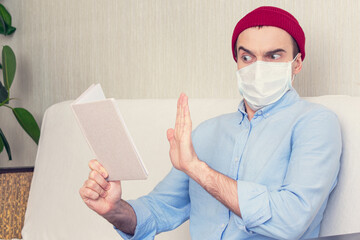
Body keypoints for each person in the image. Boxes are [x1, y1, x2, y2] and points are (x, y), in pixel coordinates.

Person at [79, 6, 342, 240]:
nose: (258, 67)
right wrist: (114, 209)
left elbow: (291, 220)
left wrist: (197, 169)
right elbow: (159, 210)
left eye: (274, 56)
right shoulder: (207, 133)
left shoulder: (315, 123)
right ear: (237, 63)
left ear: (297, 64)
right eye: (247, 57)